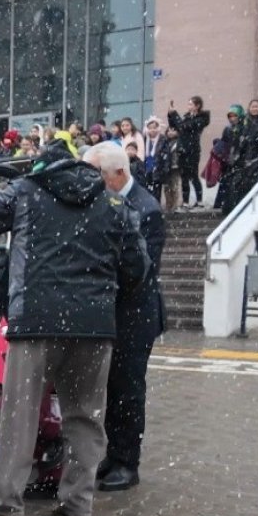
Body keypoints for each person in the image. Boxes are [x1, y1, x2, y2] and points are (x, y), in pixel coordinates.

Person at [0, 141, 147, 516]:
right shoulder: (113, 203)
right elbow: (137, 270)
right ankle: (77, 506)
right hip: (93, 327)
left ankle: (7, 505)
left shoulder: (26, 191)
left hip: (36, 322)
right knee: (85, 418)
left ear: (41, 167)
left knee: (20, 416)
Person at [84, 143, 165, 493]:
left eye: (97, 175)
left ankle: (127, 463)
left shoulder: (147, 209)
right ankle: (112, 455)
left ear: (119, 174)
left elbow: (140, 271)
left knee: (128, 390)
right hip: (110, 312)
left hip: (134, 315)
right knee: (110, 388)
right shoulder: (104, 203)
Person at [227, 99, 258, 215]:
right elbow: (239, 133)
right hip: (247, 154)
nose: (254, 109)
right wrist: (244, 139)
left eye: (256, 106)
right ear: (249, 108)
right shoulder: (245, 119)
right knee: (244, 181)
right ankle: (244, 206)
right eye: (253, 106)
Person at [168, 96, 211, 209]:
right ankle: (185, 202)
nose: (189, 106)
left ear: (197, 106)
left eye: (191, 104)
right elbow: (175, 126)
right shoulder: (187, 117)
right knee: (184, 177)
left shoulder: (201, 119)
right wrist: (170, 114)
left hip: (192, 151)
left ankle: (199, 201)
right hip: (182, 150)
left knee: (193, 176)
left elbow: (184, 127)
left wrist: (174, 114)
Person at [214, 105, 245, 212]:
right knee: (226, 184)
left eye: (235, 116)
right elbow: (224, 143)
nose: (232, 118)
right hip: (229, 161)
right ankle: (224, 205)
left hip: (241, 161)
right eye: (230, 116)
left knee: (237, 185)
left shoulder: (244, 128)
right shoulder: (228, 129)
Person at [156, 127, 182, 213]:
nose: (170, 132)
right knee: (166, 187)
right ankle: (168, 204)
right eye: (169, 131)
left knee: (174, 186)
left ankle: (175, 205)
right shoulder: (164, 142)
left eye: (173, 130)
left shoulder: (179, 142)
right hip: (166, 167)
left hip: (175, 167)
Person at [141, 117, 164, 199]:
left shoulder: (162, 139)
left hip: (157, 167)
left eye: (154, 128)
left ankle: (157, 204)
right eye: (150, 128)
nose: (152, 130)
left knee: (157, 189)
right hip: (147, 167)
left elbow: (165, 154)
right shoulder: (144, 139)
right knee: (147, 188)